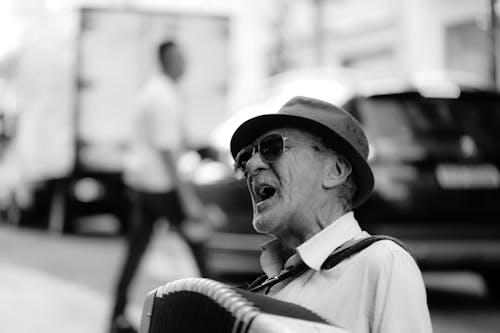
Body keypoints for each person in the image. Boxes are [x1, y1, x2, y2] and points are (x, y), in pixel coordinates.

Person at [230, 96, 433, 333]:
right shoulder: (266, 285)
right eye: (245, 157)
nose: (252, 165)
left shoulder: (383, 262)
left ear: (335, 171)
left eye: (272, 148)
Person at [109, 40, 222, 333]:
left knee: (135, 251)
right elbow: (168, 153)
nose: (186, 64)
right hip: (160, 186)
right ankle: (222, 314)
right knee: (198, 244)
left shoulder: (155, 92)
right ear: (168, 61)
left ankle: (116, 315)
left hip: (142, 184)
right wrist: (188, 201)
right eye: (181, 58)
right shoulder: (162, 97)